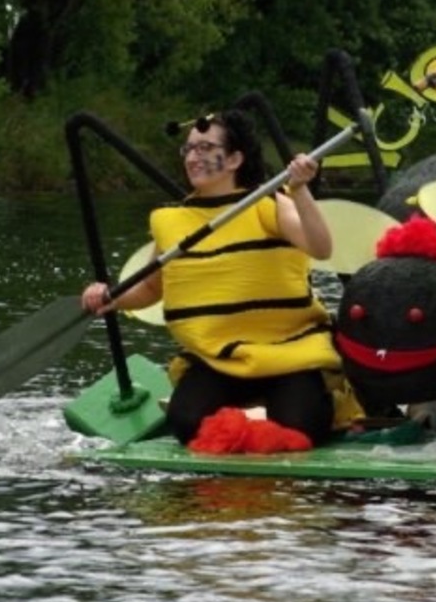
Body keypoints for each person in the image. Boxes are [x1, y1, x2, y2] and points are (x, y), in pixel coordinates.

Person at [81, 110, 342, 448]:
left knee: (303, 429)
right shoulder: (169, 220)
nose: (193, 157)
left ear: (234, 159)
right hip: (218, 359)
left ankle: (334, 402)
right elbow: (149, 288)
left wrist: (300, 189)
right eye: (188, 149)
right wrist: (110, 297)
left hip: (288, 352)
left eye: (205, 148)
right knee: (186, 423)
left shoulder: (269, 203)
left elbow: (320, 247)